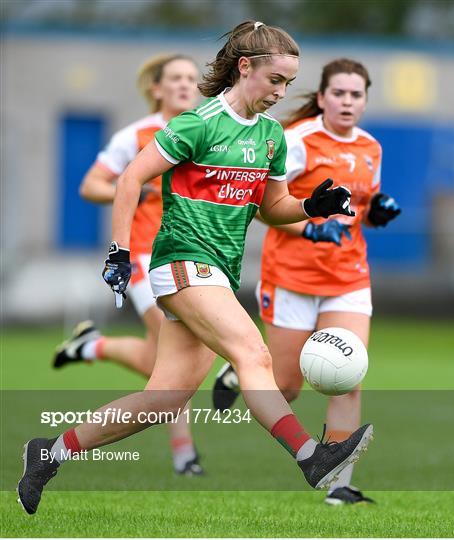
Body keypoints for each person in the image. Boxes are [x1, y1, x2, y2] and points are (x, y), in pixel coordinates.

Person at [17, 22, 373, 516]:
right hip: (182, 262)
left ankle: (49, 452)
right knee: (254, 353)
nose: (282, 93)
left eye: (289, 84)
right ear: (244, 67)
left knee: (165, 398)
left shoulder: (271, 135)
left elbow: (272, 208)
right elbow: (130, 179)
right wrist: (118, 253)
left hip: (217, 273)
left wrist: (313, 205)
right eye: (275, 80)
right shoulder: (197, 122)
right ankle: (312, 457)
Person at [212, 58, 401, 505]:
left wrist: (377, 213)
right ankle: (240, 372)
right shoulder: (297, 141)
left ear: (365, 101)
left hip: (347, 278)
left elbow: (359, 213)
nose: (347, 101)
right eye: (339, 93)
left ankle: (341, 484)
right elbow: (266, 208)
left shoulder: (371, 147)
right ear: (322, 97)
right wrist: (312, 226)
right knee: (288, 386)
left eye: (356, 94)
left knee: (347, 378)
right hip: (291, 277)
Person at [52, 53, 204, 476]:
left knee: (164, 359)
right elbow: (90, 185)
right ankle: (184, 454)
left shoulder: (203, 131)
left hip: (188, 257)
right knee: (178, 354)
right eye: (175, 78)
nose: (184, 85)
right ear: (156, 88)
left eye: (191, 78)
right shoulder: (134, 135)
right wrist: (138, 189)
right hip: (142, 256)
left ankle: (90, 346)